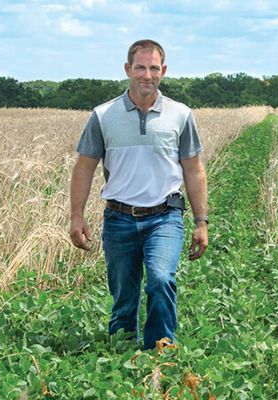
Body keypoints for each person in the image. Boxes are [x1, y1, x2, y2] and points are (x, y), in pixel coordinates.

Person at [69, 39, 208, 350]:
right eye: (140, 67)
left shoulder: (181, 114)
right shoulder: (103, 115)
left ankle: (160, 351)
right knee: (123, 296)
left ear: (164, 71)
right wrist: (77, 216)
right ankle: (120, 358)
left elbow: (194, 169)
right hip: (119, 218)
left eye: (154, 68)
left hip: (165, 216)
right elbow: (84, 167)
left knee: (160, 279)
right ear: (127, 70)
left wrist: (201, 221)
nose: (147, 74)